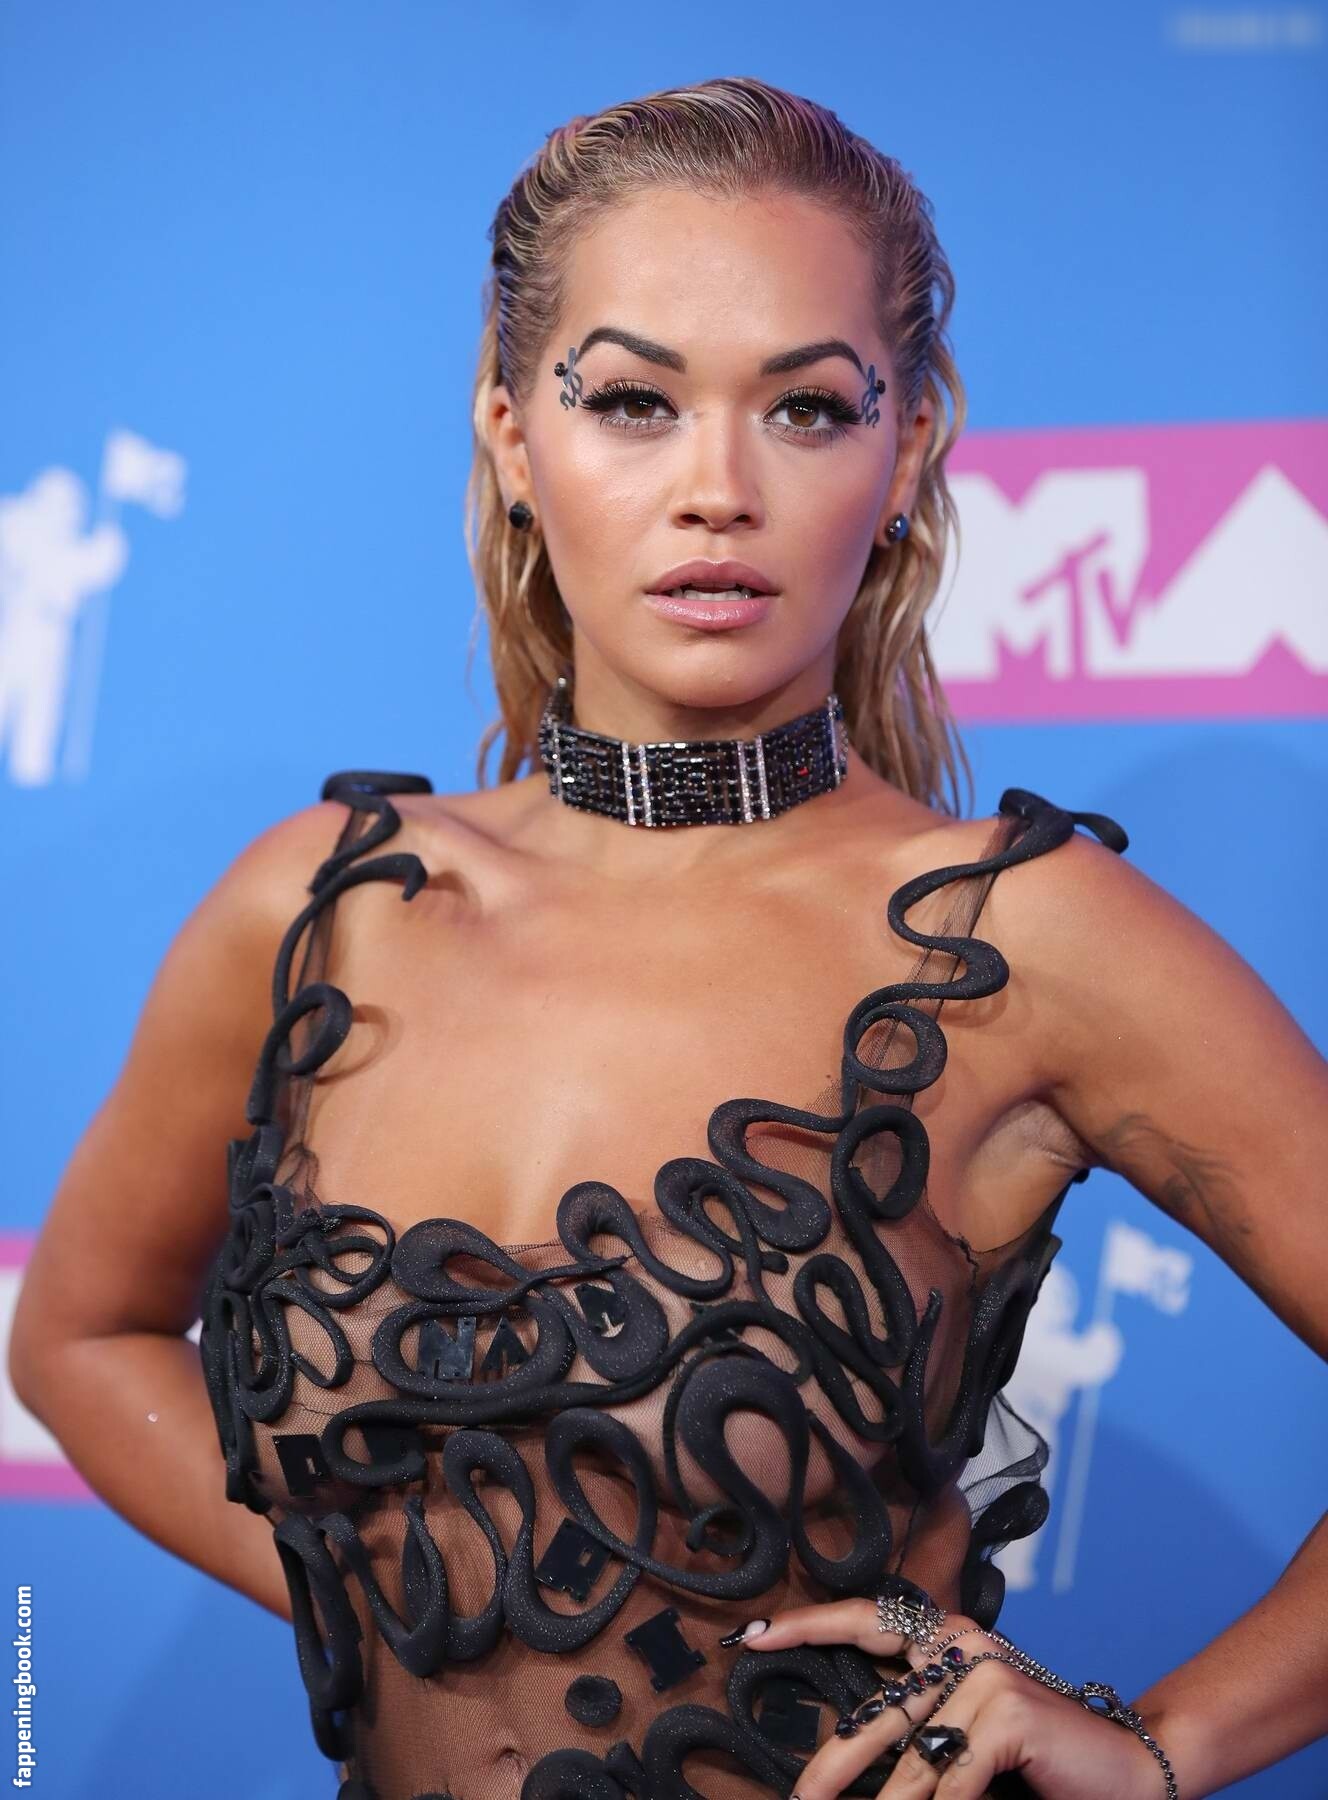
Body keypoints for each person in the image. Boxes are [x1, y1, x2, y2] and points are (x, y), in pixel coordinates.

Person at [9, 74, 1327, 1800]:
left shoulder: (1017, 942)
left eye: (806, 409)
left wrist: (1161, 1747)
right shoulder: (320, 910)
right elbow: (81, 1337)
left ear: (909, 446)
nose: (717, 487)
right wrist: (404, 1603)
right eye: (634, 401)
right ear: (512, 436)